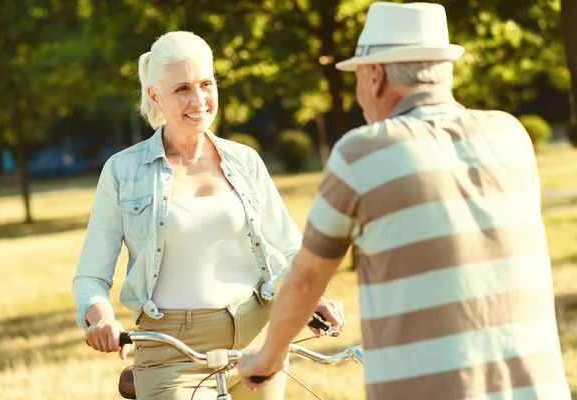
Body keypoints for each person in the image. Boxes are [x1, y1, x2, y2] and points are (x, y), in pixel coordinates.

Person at [237, 2, 571, 399]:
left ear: (375, 76)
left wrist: (267, 358)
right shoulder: (511, 136)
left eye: (358, 77)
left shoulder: (362, 153)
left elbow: (308, 277)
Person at [72, 30, 345, 400]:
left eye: (206, 83)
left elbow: (292, 250)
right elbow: (90, 276)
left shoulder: (245, 161)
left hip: (256, 342)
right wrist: (100, 317)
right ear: (155, 96)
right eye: (182, 88)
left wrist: (313, 296)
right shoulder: (123, 171)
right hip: (170, 350)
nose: (198, 99)